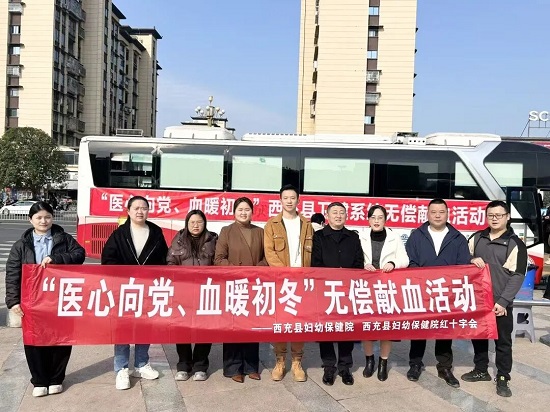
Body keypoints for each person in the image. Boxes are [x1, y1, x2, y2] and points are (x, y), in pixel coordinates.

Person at [5, 201, 85, 397]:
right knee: (34, 339)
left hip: (60, 298)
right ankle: (39, 380)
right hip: (33, 300)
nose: (43, 221)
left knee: (61, 339)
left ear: (53, 218)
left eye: (47, 217)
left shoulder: (64, 239)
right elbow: (13, 273)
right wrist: (13, 301)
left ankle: (56, 378)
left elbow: (79, 254)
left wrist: (57, 259)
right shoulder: (21, 245)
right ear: (30, 220)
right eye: (39, 217)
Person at [101, 196, 169, 390]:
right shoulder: (119, 234)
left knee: (144, 327)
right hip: (125, 290)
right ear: (128, 211)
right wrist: (124, 276)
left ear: (148, 211)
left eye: (144, 208)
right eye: (136, 208)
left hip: (148, 289)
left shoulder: (156, 232)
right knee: (123, 329)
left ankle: (141, 364)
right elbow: (107, 260)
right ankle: (121, 368)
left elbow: (163, 260)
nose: (140, 211)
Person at [463, 200, 527, 397]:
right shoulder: (477, 238)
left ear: (507, 217)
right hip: (478, 300)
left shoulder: (515, 244)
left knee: (503, 343)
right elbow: (462, 258)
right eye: (491, 215)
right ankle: (481, 369)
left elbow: (518, 275)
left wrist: (503, 301)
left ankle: (503, 377)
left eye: (499, 215)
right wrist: (471, 259)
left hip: (500, 303)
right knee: (479, 337)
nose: (495, 219)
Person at [405, 198, 470, 388]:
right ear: (427, 214)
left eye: (441, 212)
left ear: (447, 214)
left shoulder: (457, 238)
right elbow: (410, 261)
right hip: (422, 292)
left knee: (445, 330)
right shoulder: (417, 236)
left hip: (446, 293)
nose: (437, 215)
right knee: (419, 329)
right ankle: (415, 364)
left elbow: (463, 266)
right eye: (433, 212)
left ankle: (445, 367)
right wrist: (422, 280)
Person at [214, 197, 267, 383]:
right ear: (234, 212)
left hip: (253, 285)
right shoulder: (226, 231)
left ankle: (251, 367)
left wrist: (255, 270)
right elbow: (219, 259)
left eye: (247, 209)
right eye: (240, 209)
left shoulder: (260, 232)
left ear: (252, 212)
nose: (244, 213)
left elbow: (267, 258)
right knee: (233, 326)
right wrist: (237, 271)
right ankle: (233, 367)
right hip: (233, 285)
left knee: (252, 326)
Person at [264, 184, 313, 382]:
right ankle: (280, 362)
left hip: (302, 281)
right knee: (281, 321)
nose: (289, 201)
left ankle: (297, 363)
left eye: (293, 198)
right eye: (286, 198)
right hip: (281, 281)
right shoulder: (272, 224)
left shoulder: (307, 224)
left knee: (299, 322)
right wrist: (285, 273)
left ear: (298, 200)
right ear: (280, 200)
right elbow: (269, 253)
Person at [312, 202, 364, 386]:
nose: (338, 215)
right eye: (334, 212)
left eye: (342, 212)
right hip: (326, 290)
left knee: (346, 329)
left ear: (346, 216)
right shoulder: (319, 236)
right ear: (327, 216)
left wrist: (348, 277)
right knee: (326, 329)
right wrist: (333, 276)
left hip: (347, 291)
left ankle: (345, 367)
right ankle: (329, 367)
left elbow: (358, 262)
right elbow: (315, 263)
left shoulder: (353, 237)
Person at [359, 205, 409, 381]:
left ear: (385, 220)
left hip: (387, 288)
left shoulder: (394, 237)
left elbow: (405, 259)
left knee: (386, 327)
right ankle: (369, 360)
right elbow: (356, 257)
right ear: (368, 219)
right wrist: (363, 265)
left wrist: (393, 263)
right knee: (367, 326)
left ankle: (383, 362)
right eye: (373, 217)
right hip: (366, 288)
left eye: (380, 217)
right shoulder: (361, 236)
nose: (376, 221)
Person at [167, 209, 217, 382]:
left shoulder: (213, 240)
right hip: (184, 293)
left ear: (205, 224)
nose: (196, 225)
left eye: (199, 222)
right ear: (187, 224)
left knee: (205, 329)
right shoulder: (178, 241)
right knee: (182, 329)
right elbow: (170, 262)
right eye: (192, 222)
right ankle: (183, 365)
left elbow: (218, 264)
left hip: (206, 293)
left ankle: (200, 366)